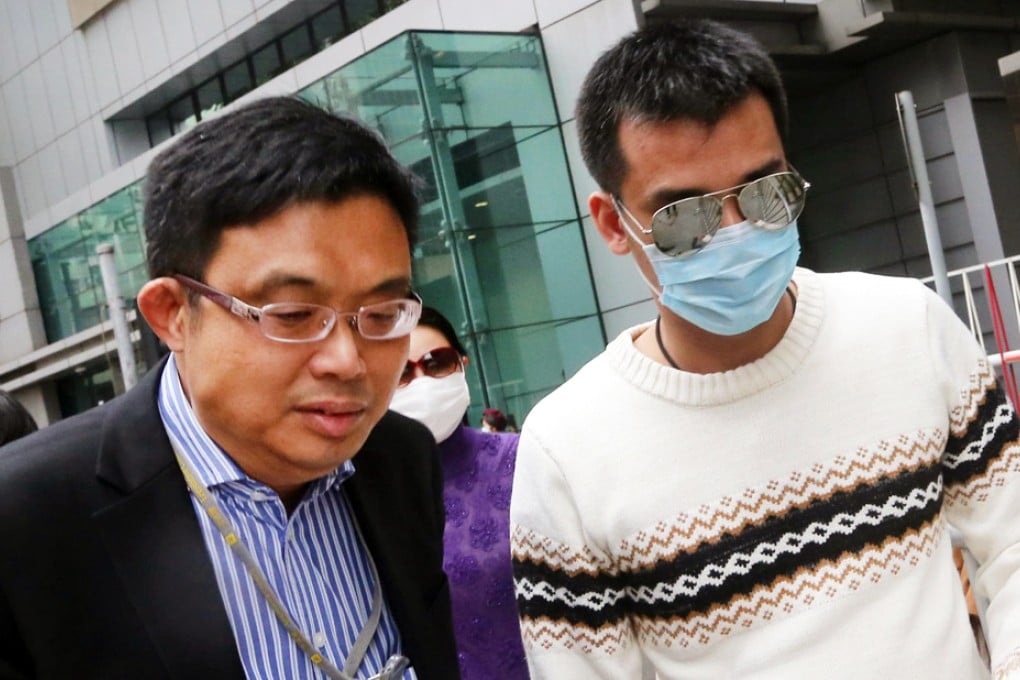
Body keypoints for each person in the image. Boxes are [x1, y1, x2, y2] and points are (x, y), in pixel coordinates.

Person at [509, 19, 1020, 679]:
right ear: (613, 223)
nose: (735, 231)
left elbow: (1011, 541)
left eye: (765, 192)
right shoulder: (567, 452)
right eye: (683, 215)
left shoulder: (907, 328)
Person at [0, 96, 459, 679]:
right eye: (292, 315)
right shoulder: (25, 522)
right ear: (171, 313)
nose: (348, 361)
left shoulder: (400, 459)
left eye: (382, 313)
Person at [388, 307, 527, 679]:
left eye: (436, 363)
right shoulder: (361, 494)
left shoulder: (524, 459)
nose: (422, 381)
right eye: (402, 373)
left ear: (462, 364)